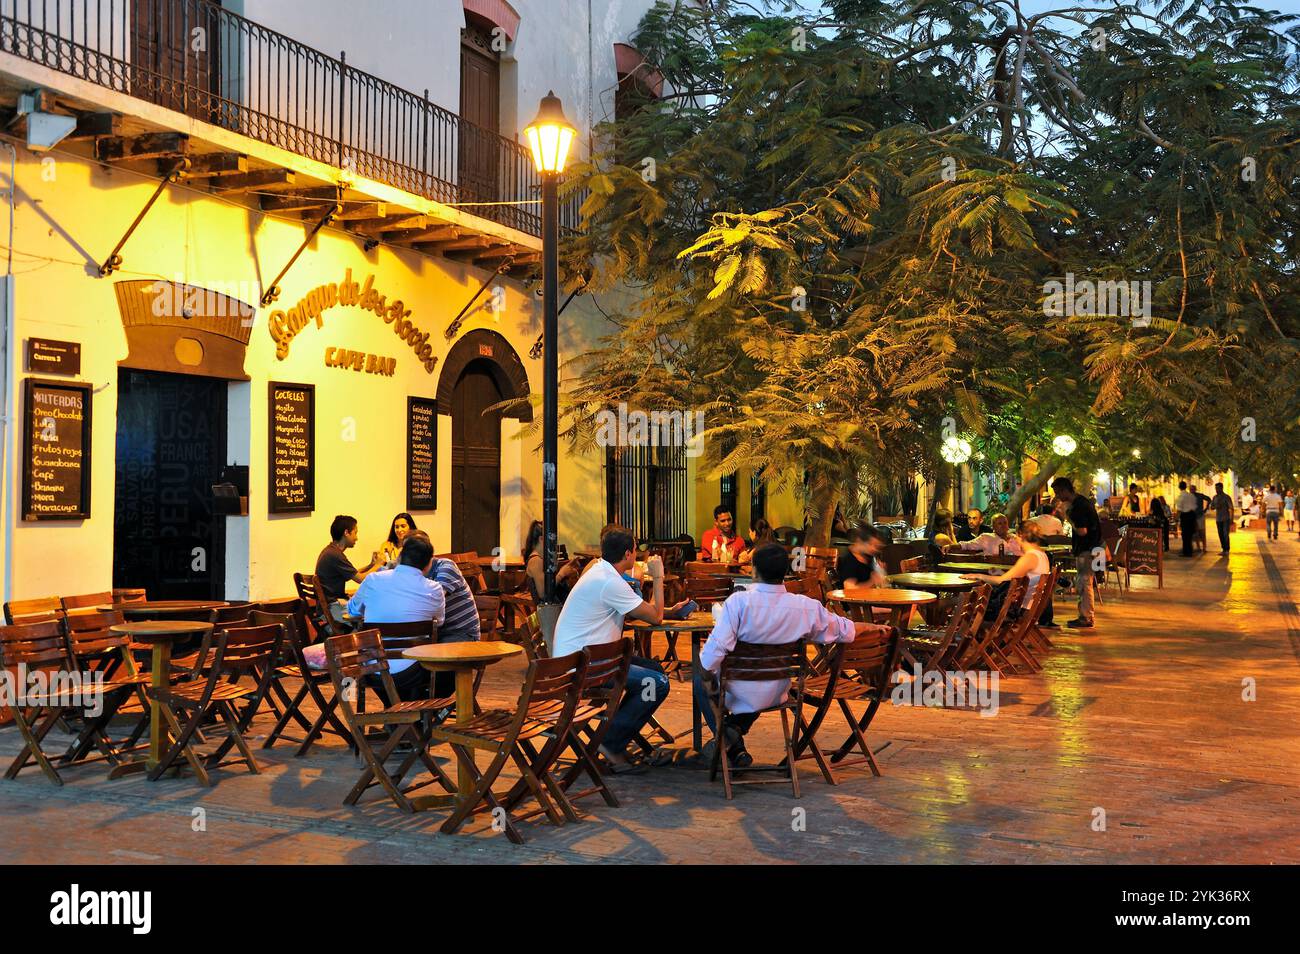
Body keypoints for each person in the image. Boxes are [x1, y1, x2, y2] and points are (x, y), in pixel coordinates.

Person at [695, 543, 886, 767]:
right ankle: (734, 742)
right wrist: (875, 628)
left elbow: (709, 659)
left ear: (754, 570)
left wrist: (710, 669)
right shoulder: (805, 607)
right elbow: (846, 630)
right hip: (778, 691)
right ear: (785, 572)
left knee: (701, 678)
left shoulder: (738, 603)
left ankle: (727, 740)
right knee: (749, 682)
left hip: (737, 691)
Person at [553, 527, 688, 772]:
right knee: (656, 683)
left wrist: (669, 610)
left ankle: (618, 728)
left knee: (654, 669)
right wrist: (658, 577)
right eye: (635, 549)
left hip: (587, 659)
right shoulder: (609, 582)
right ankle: (611, 741)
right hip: (584, 669)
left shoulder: (600, 571)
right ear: (628, 554)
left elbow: (644, 611)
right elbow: (655, 619)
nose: (637, 554)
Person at [346, 533, 445, 702]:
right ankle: (408, 720)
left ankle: (396, 717)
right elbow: (439, 622)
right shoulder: (434, 589)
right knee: (448, 669)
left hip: (372, 669)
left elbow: (353, 611)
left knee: (386, 678)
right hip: (413, 670)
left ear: (399, 556)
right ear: (429, 564)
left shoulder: (373, 580)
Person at [961, 519, 1052, 620]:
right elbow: (1015, 578)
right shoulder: (1042, 554)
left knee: (967, 602)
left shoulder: (1029, 557)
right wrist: (999, 572)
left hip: (1020, 608)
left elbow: (1001, 581)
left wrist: (978, 576)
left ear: (1020, 535)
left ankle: (962, 632)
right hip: (1032, 605)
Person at [1051, 476, 1101, 629]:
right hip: (1092, 548)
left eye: (1058, 492)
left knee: (1084, 583)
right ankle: (1085, 615)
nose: (1057, 496)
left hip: (1087, 550)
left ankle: (1086, 617)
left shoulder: (1078, 507)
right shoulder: (1082, 502)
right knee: (1085, 583)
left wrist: (1067, 517)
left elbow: (1082, 531)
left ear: (1065, 490)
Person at [315, 515, 382, 626]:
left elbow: (354, 573)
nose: (356, 538)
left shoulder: (331, 551)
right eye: (355, 533)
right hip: (332, 607)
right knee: (372, 616)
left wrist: (371, 565)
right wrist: (379, 564)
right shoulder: (334, 554)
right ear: (346, 533)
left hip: (330, 605)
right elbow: (360, 579)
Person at [522, 519, 581, 601]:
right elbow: (543, 593)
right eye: (551, 538)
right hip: (548, 612)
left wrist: (567, 567)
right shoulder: (535, 561)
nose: (554, 542)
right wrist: (562, 573)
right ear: (541, 539)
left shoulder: (540, 558)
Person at [956, 513, 1023, 557]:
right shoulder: (986, 538)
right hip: (994, 571)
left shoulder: (1015, 538)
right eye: (999, 523)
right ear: (993, 526)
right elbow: (967, 545)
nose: (1003, 525)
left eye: (1005, 523)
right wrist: (950, 546)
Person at [1175, 481, 1199, 558]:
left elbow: (1179, 509)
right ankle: (1189, 550)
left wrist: (1176, 519)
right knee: (1190, 534)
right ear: (1186, 487)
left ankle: (1187, 552)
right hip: (1192, 515)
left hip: (1185, 516)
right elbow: (1195, 506)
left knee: (1185, 535)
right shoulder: (1191, 496)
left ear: (1179, 487)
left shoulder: (1181, 497)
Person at [1210, 482, 1234, 555]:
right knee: (1220, 534)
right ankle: (1223, 549)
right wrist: (1215, 506)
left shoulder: (1226, 497)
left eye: (1218, 488)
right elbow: (1212, 507)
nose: (1216, 490)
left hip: (1226, 518)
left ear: (1221, 488)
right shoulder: (1215, 497)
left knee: (1225, 534)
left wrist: (1231, 519)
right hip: (1218, 519)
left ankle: (1227, 549)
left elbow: (1231, 508)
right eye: (1216, 488)